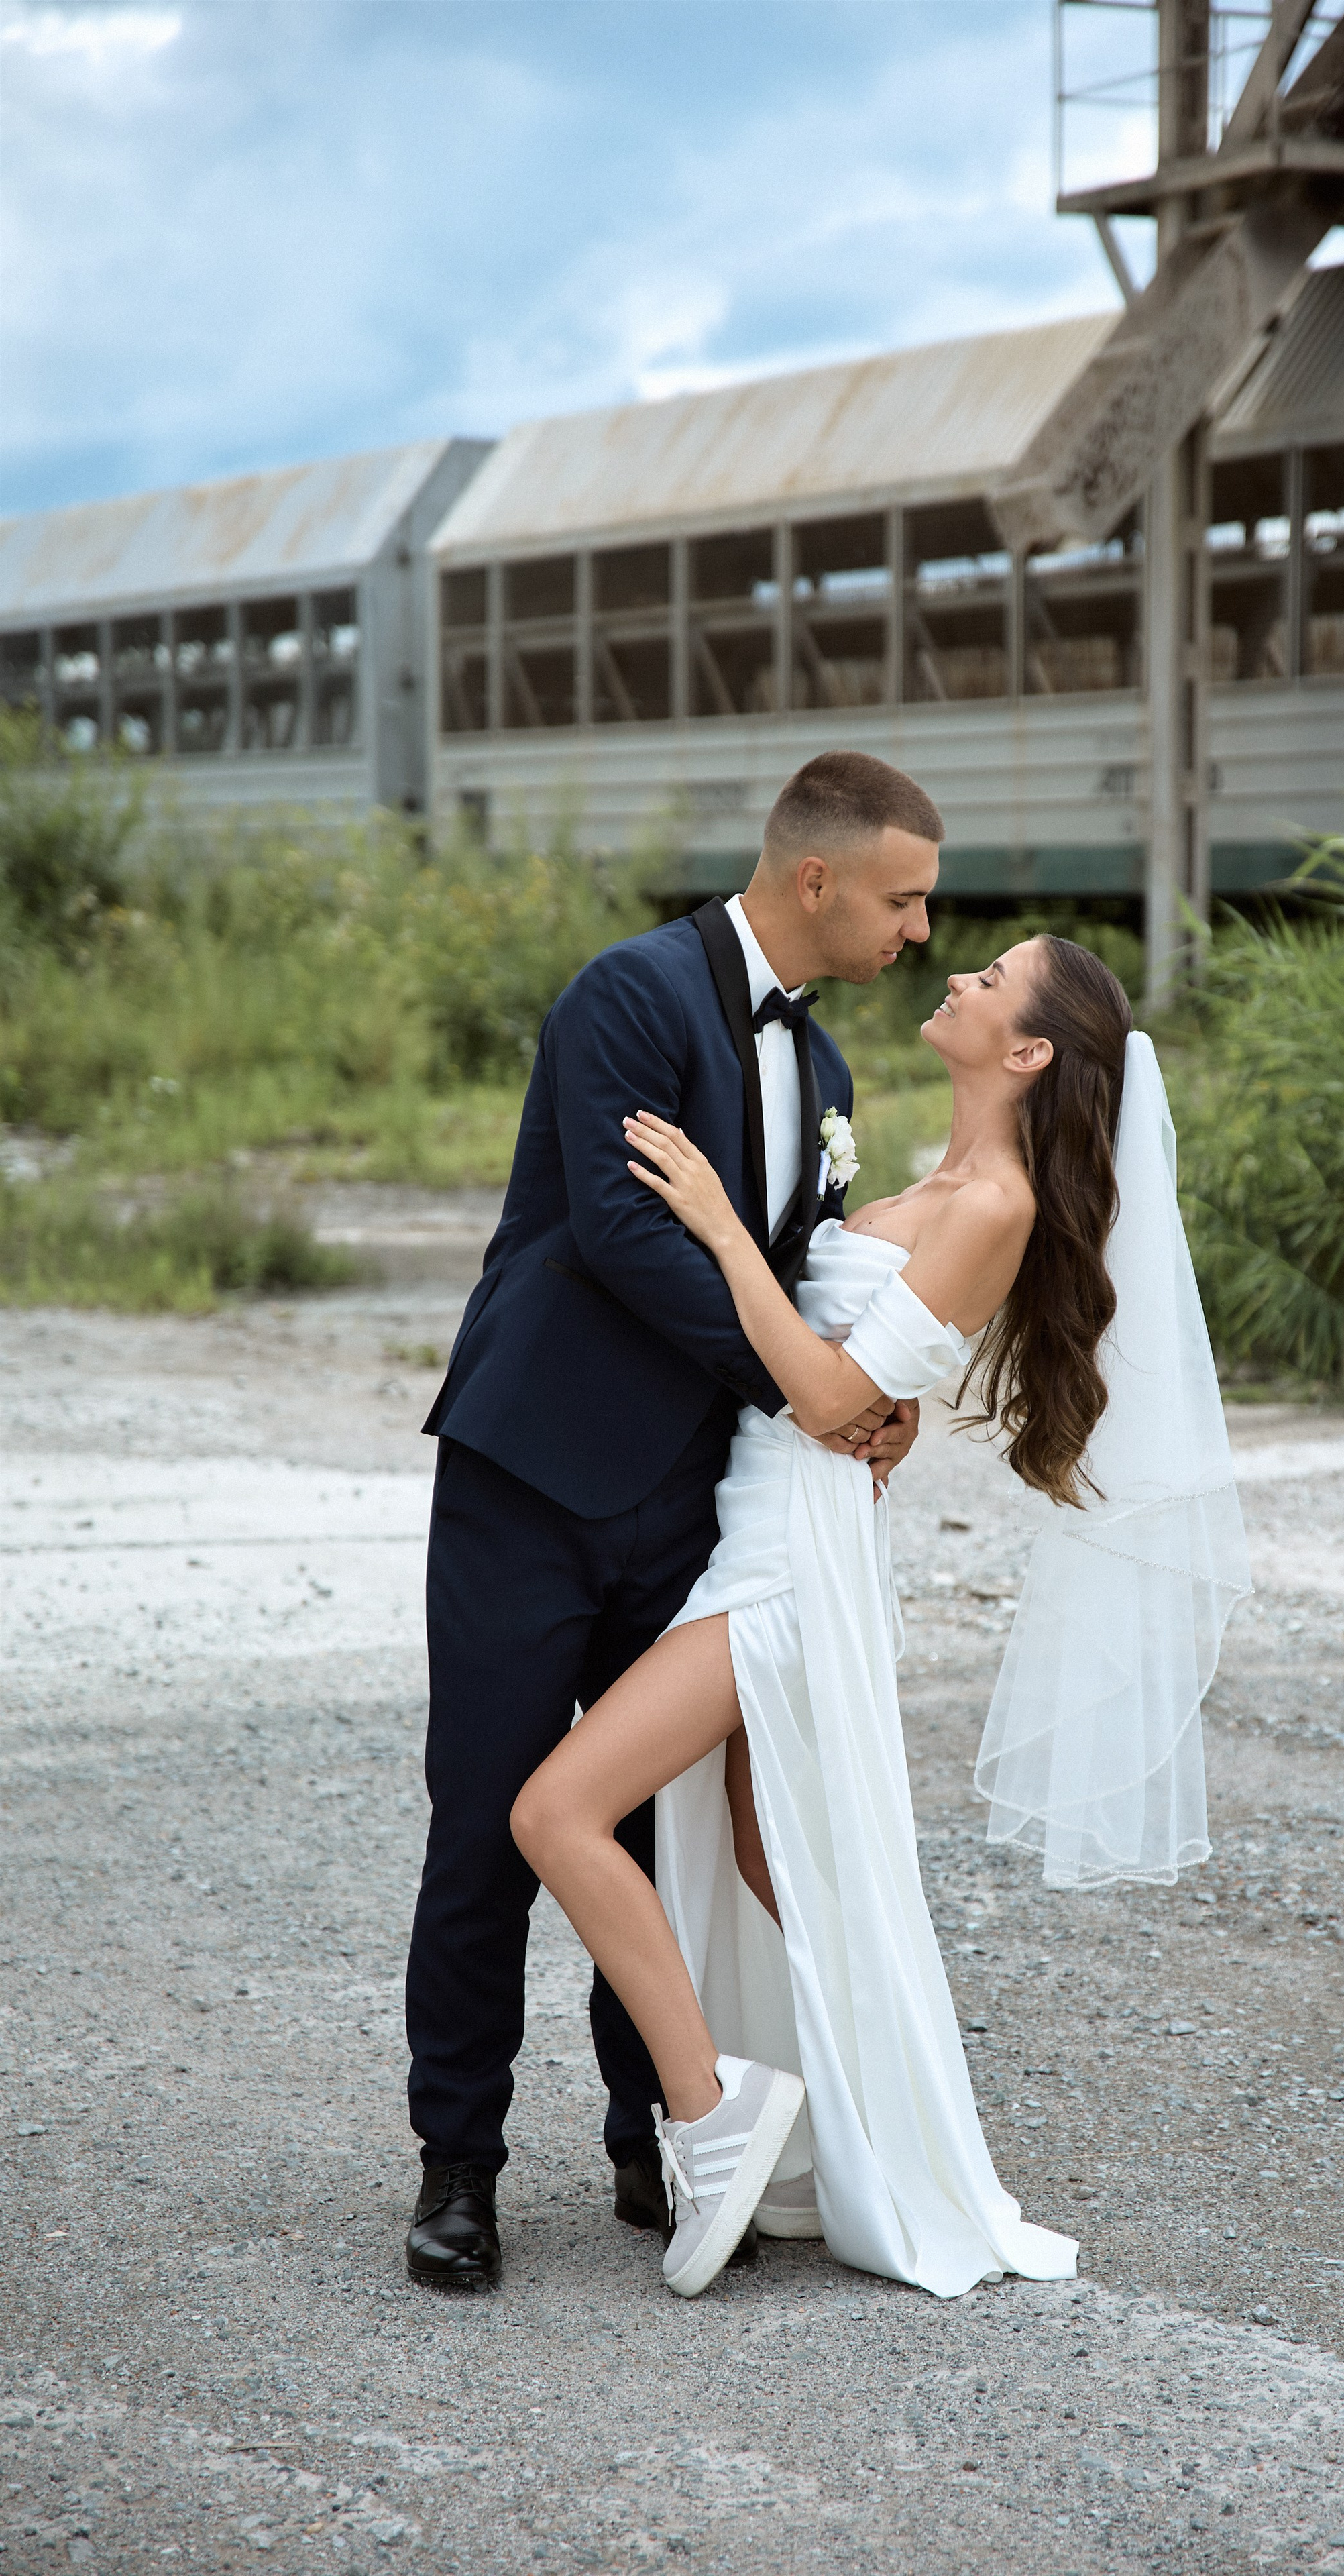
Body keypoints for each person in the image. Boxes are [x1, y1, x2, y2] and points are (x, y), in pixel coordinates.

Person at [511, 932, 1244, 2299]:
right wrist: (863, 1397)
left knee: (556, 1813)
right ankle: (845, 2144)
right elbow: (854, 1389)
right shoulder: (943, 1178)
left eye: (989, 980)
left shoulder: (998, 1205)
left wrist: (726, 1231)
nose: (955, 976)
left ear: (1026, 1051)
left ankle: (711, 2111)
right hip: (764, 1526)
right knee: (766, 1854)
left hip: (790, 1561)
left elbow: (826, 1397)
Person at [403, 749, 944, 2289]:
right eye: (903, 900)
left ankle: (656, 2139)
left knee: (656, 1833)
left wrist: (867, 1387)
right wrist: (808, 1395)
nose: (916, 931)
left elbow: (810, 1283)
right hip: (533, 1474)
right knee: (486, 1831)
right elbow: (627, 1235)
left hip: (692, 1506)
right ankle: (458, 2167)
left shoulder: (829, 1081)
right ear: (817, 879)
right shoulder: (628, 994)